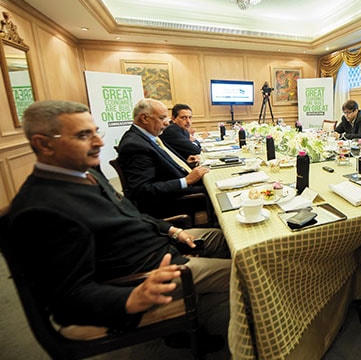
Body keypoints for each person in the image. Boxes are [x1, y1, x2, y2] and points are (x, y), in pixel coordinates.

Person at [4, 100, 232, 350]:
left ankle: (196, 329)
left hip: (161, 245)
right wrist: (132, 298)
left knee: (223, 237)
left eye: (95, 132)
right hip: (145, 274)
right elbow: (67, 299)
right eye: (83, 135)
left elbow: (129, 214)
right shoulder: (38, 210)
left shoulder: (86, 173)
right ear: (43, 144)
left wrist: (170, 229)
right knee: (248, 271)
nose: (99, 143)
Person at [117, 99, 210, 221]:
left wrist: (186, 163)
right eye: (162, 118)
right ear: (144, 118)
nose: (167, 123)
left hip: (177, 186)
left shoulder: (147, 137)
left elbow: (162, 163)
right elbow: (142, 191)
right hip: (171, 201)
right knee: (214, 190)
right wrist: (186, 181)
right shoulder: (135, 145)